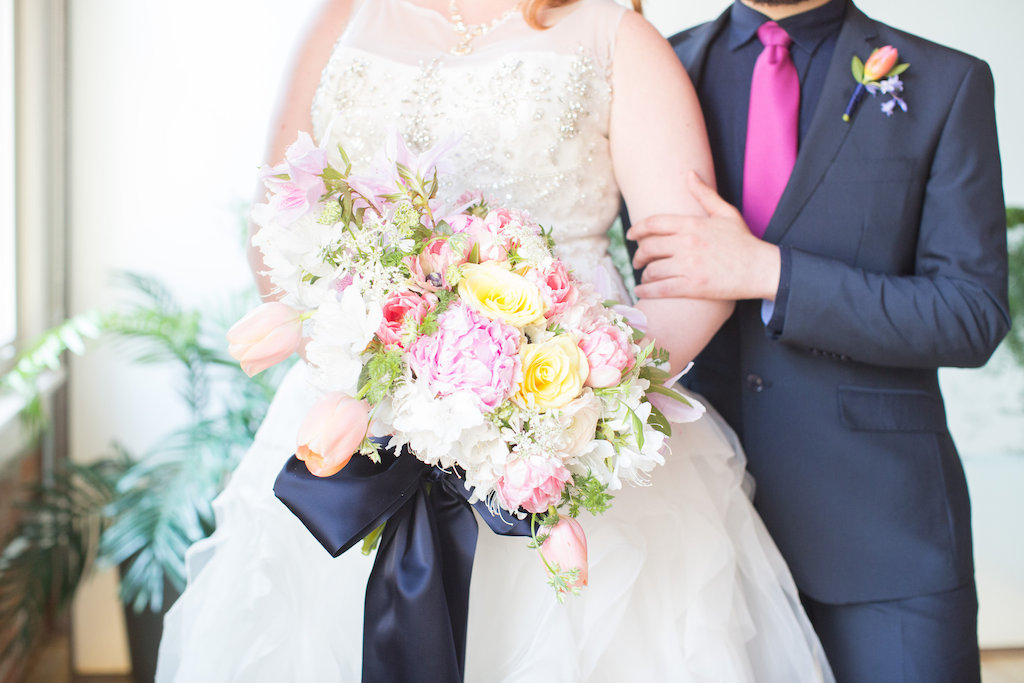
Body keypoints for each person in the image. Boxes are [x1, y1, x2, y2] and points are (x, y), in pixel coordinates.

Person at [156, 0, 835, 680]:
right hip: (356, 420)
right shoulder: (343, 18)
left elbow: (695, 275)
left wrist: (565, 405)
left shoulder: (616, 36)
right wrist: (381, 372)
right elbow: (275, 224)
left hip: (562, 437)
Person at [627, 0, 1009, 680]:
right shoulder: (651, 69)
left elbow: (972, 313)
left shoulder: (948, 82)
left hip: (884, 540)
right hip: (696, 538)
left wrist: (769, 272)